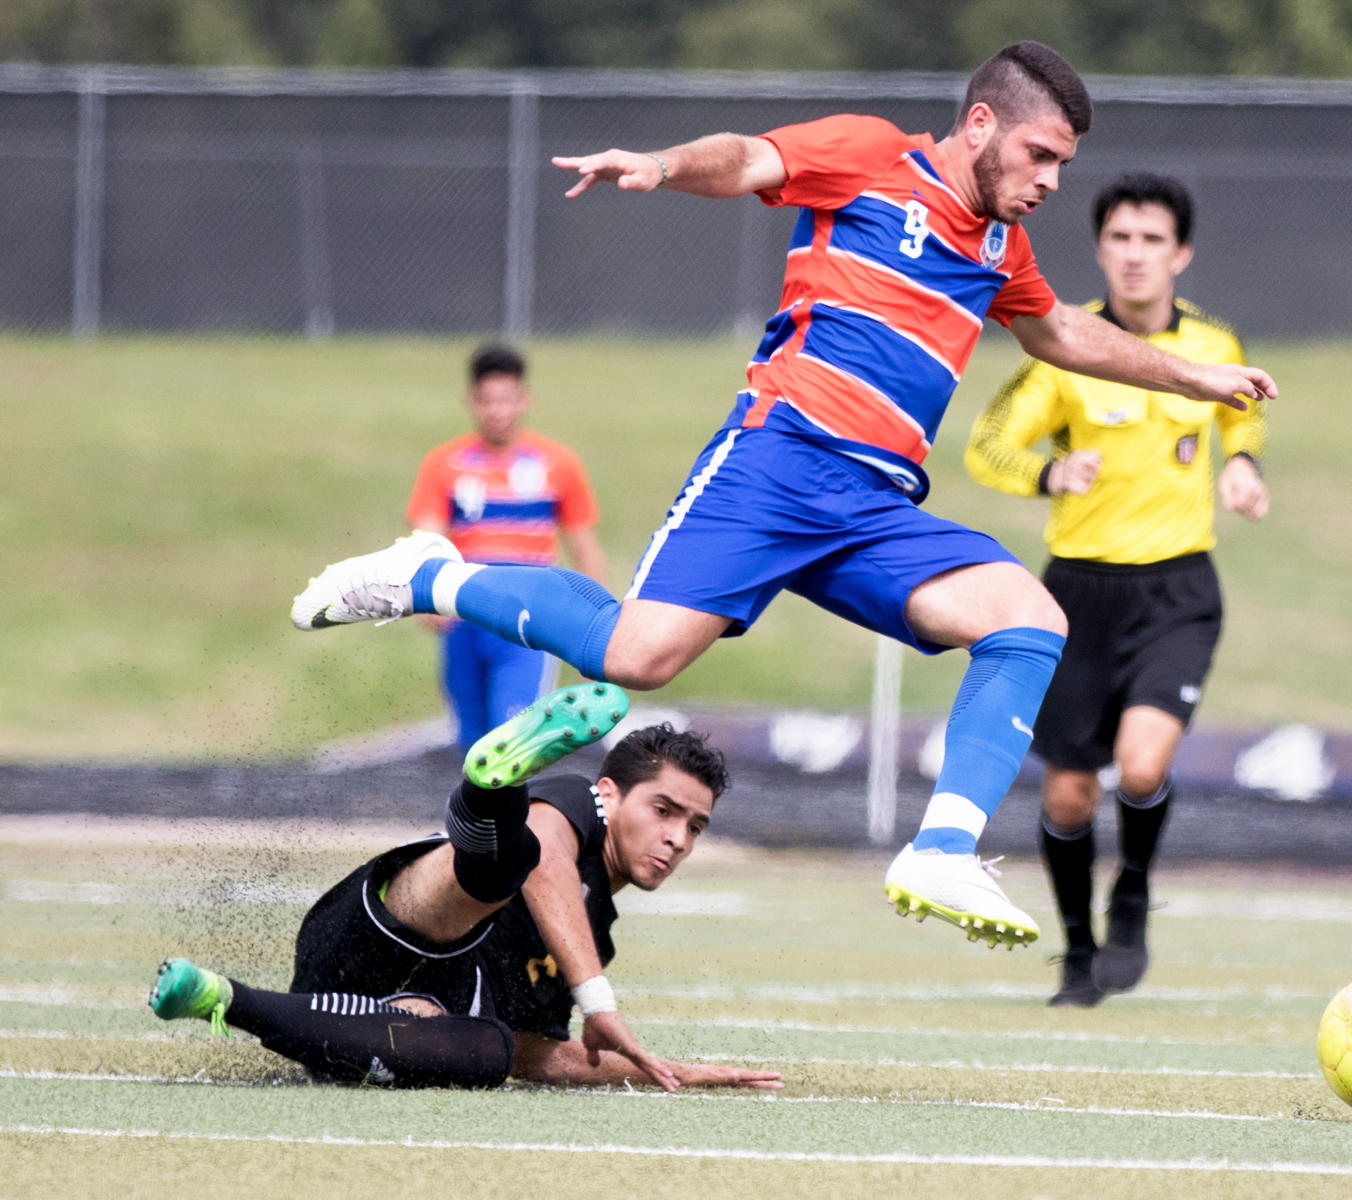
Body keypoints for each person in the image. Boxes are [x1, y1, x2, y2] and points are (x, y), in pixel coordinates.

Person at [291, 42, 1276, 950]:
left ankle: (941, 850)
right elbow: (749, 158)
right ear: (981, 125)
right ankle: (433, 574)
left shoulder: (1000, 249)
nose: (1052, 182)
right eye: (1041, 154)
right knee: (638, 654)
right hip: (779, 461)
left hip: (874, 508)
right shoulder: (873, 156)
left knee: (1028, 621)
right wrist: (666, 165)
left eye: (1062, 164)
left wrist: (1199, 378)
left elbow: (1061, 332)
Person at [149, 688, 778, 1094]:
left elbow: (541, 1057)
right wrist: (599, 1001)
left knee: (490, 1052)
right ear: (609, 793)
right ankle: (488, 793)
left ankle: (217, 996)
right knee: (508, 868)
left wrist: (669, 1071)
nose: (678, 839)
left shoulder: (594, 938)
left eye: (694, 825)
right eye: (664, 810)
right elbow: (545, 863)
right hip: (383, 925)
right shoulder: (572, 804)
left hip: (347, 1022)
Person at [965, 173, 1268, 1006]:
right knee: (1067, 789)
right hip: (1077, 596)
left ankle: (1132, 888)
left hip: (1177, 593)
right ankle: (1078, 952)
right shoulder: (1063, 347)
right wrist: (1048, 471)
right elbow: (986, 446)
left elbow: (1242, 410)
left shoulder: (1213, 345)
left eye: (1152, 241)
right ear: (1100, 250)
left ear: (1182, 254)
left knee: (1140, 767)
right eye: (1120, 240)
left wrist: (1242, 462)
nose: (1135, 257)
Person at [408, 345, 604, 752]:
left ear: (524, 399)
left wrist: (595, 632)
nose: (498, 411)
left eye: (507, 399)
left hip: (526, 620)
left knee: (512, 737)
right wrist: (422, 598)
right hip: (462, 613)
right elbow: (425, 537)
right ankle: (474, 818)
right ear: (472, 402)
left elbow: (585, 548)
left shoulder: (558, 464)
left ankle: (514, 818)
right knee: (470, 741)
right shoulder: (445, 464)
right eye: (487, 401)